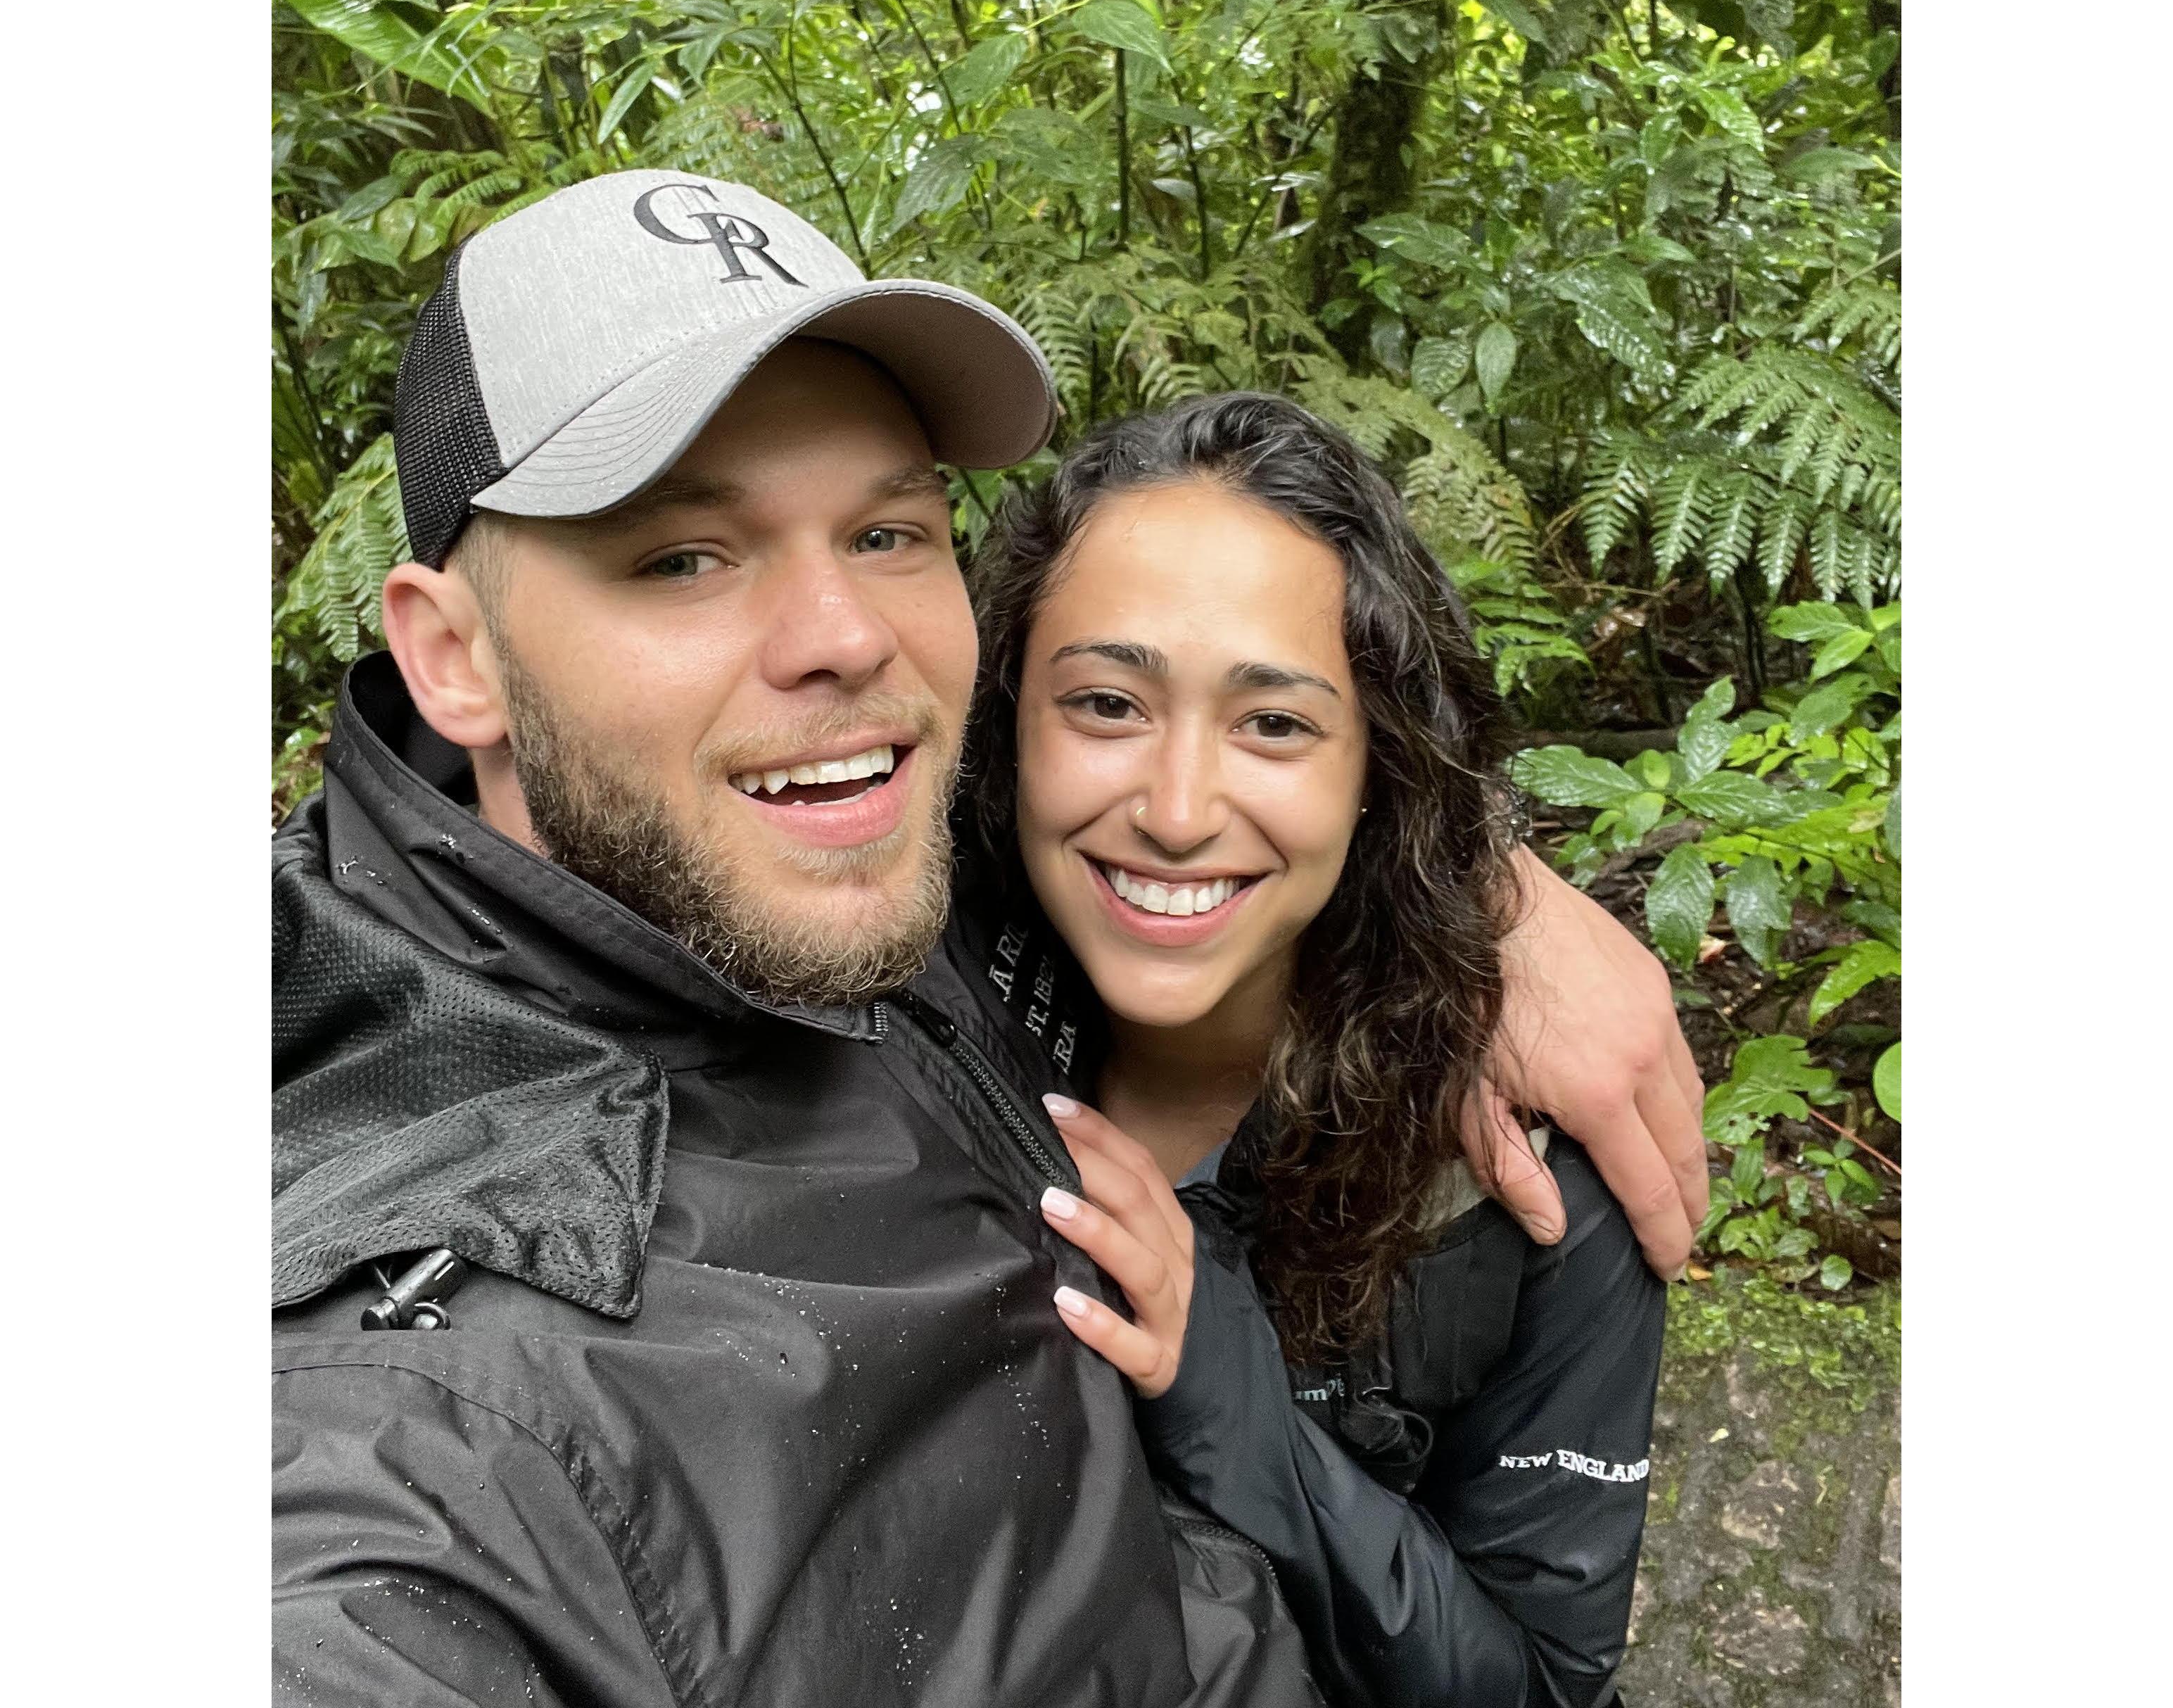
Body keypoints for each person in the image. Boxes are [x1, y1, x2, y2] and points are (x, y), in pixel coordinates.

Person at [272, 169, 1702, 1705]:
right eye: (682, 554)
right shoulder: (414, 1417)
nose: (844, 635)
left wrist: (1483, 901)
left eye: (890, 529)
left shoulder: (872, 870)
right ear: (449, 655)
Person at [956, 393, 1665, 1707]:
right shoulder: (906, 994)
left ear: (1376, 767)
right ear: (1003, 725)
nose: (1175, 812)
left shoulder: (1522, 1183)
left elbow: (1543, 1684)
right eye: (1106, 704)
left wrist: (1227, 1399)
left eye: (1274, 724)